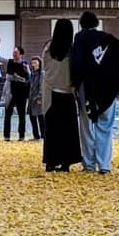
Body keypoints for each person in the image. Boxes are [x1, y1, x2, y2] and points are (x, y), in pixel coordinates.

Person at [70, 9, 119, 174]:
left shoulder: (80, 38)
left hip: (87, 87)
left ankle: (89, 164)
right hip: (108, 88)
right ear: (96, 23)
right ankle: (104, 165)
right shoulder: (109, 39)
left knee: (86, 126)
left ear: (81, 24)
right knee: (106, 126)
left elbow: (77, 63)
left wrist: (74, 83)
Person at [41, 19, 82, 171]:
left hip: (52, 93)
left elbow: (45, 67)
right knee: (68, 130)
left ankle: (51, 161)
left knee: (52, 131)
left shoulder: (48, 48)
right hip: (67, 94)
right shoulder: (72, 50)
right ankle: (66, 163)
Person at [4, 46, 33, 141]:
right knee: (8, 114)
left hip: (22, 93)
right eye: (13, 52)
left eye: (16, 52)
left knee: (22, 115)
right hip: (11, 92)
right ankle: (7, 136)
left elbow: (29, 77)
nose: (14, 54)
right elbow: (8, 76)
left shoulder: (25, 64)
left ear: (20, 54)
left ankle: (21, 136)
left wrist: (23, 78)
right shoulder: (10, 62)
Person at [27, 55, 45, 141]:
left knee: (40, 117)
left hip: (38, 99)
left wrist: (40, 97)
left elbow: (41, 86)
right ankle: (36, 135)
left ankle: (43, 135)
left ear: (39, 63)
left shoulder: (41, 73)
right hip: (31, 98)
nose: (33, 64)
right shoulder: (32, 73)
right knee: (32, 117)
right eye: (32, 62)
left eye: (35, 62)